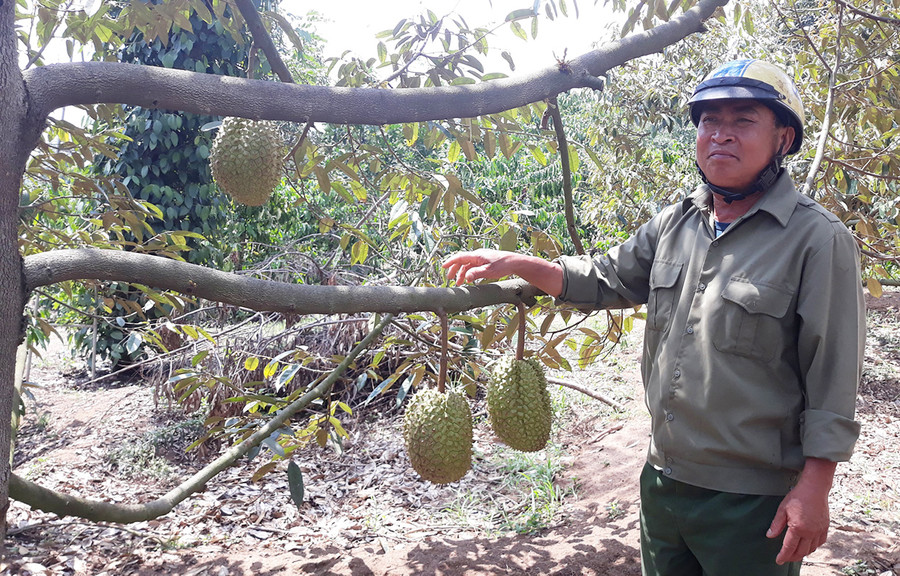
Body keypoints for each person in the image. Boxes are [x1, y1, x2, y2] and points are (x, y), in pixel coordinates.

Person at [443, 59, 865, 575]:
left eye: (743, 121)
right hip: (663, 480)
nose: (721, 136)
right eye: (710, 121)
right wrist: (519, 265)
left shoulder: (817, 239)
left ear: (783, 139)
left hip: (752, 499)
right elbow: (607, 279)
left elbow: (833, 372)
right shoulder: (677, 222)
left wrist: (815, 488)